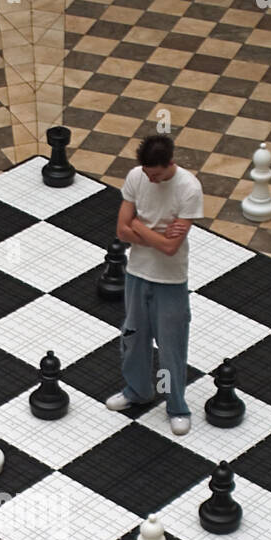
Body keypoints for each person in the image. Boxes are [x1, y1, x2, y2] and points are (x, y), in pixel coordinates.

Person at [106, 133, 204, 435]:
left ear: (170, 163)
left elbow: (170, 249)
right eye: (147, 173)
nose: (150, 179)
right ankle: (137, 390)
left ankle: (177, 406)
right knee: (134, 336)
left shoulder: (189, 188)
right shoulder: (137, 176)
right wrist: (155, 235)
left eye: (156, 174)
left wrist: (139, 225)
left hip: (171, 280)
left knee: (171, 345)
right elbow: (122, 231)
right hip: (136, 272)